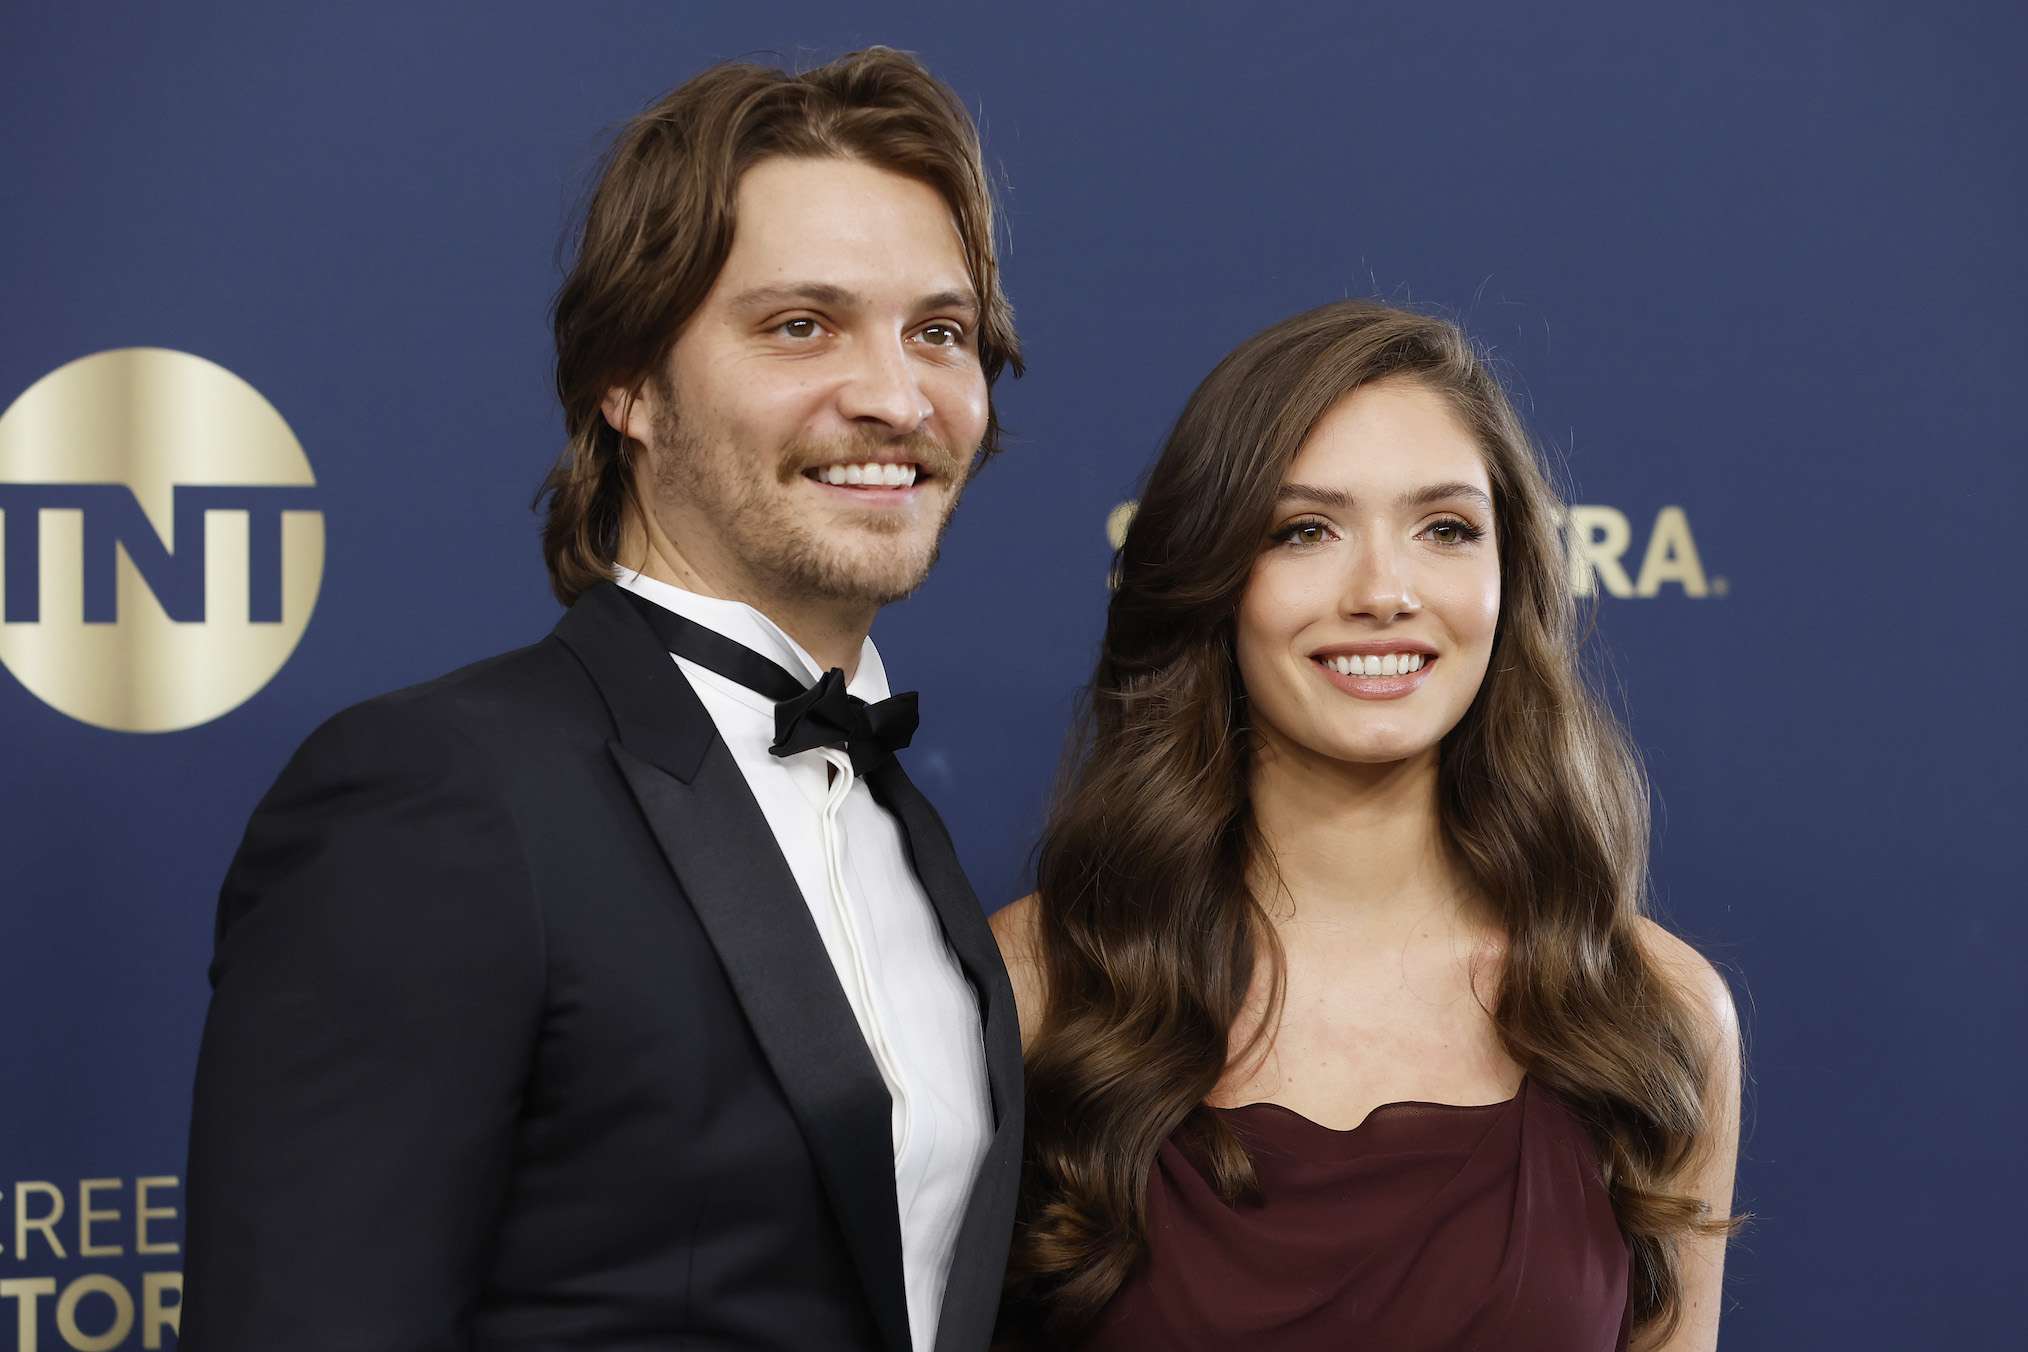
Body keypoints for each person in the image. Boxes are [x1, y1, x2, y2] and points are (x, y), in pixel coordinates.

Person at [182, 48, 1024, 1352]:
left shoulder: (906, 821)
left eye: (940, 332)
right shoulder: (438, 796)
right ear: (626, 381)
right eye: (801, 325)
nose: (895, 396)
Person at [992, 300, 1741, 1351]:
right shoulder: (1037, 983)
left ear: (1509, 577)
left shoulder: (1653, 1010)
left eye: (1444, 528)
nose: (1384, 591)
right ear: (1216, 579)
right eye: (1305, 529)